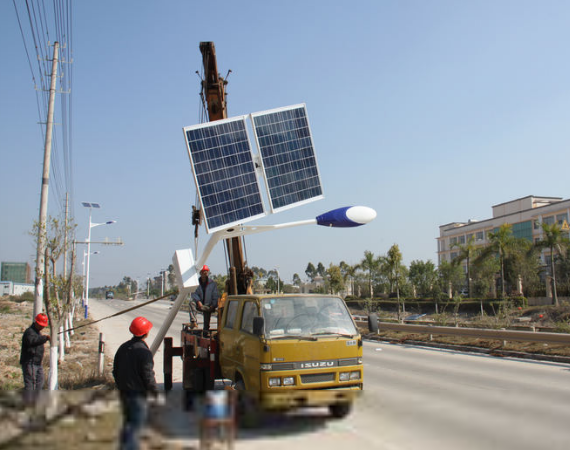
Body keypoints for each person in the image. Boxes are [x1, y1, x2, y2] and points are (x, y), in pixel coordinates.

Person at [113, 316, 158, 450]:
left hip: (124, 393)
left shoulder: (123, 348)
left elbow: (115, 371)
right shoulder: (144, 352)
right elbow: (148, 376)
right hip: (138, 396)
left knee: (128, 426)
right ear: (146, 332)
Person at [20, 313, 50, 405]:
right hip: (30, 362)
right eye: (41, 325)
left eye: (43, 326)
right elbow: (32, 341)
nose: (42, 327)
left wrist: (43, 337)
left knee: (40, 383)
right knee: (31, 385)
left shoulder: (37, 332)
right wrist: (45, 338)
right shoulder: (29, 332)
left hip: (37, 363)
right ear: (36, 322)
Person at [190, 265, 219, 331]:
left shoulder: (212, 284)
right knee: (191, 302)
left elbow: (215, 296)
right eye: (202, 272)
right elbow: (194, 293)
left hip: (208, 306)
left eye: (205, 272)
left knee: (206, 321)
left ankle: (206, 330)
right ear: (200, 273)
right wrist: (198, 301)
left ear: (207, 273)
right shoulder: (196, 283)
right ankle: (193, 321)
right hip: (199, 304)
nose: (204, 274)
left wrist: (213, 305)